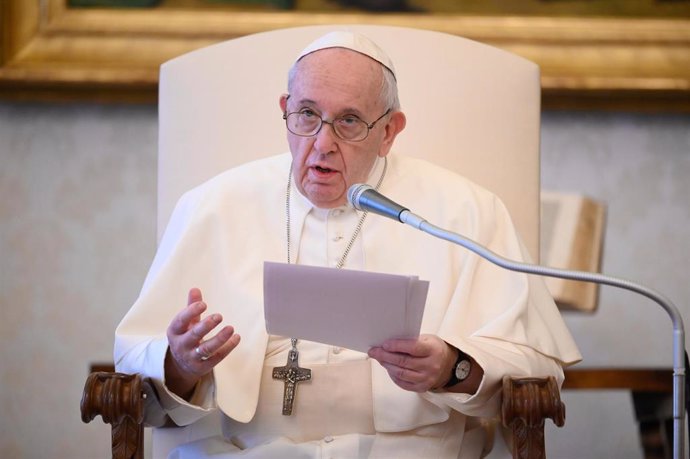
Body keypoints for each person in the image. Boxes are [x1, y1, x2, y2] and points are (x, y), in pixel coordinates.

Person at [115, 30, 581, 458]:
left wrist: (453, 367)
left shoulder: (465, 210)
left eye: (349, 121)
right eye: (307, 115)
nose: (322, 143)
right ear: (285, 108)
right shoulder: (212, 205)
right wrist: (180, 364)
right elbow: (135, 364)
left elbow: (536, 366)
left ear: (389, 131)